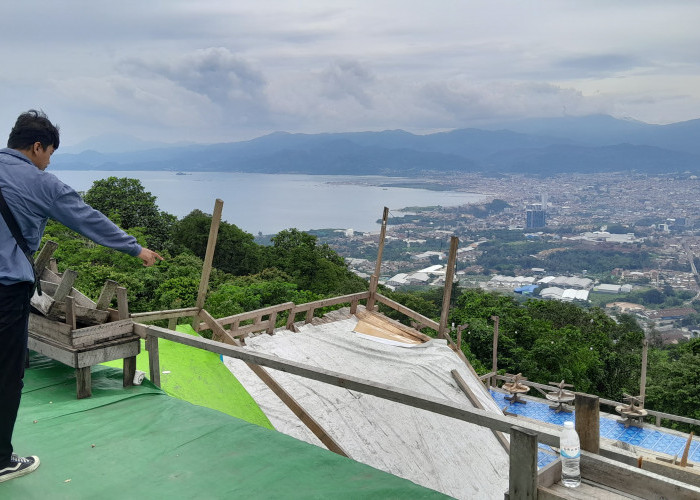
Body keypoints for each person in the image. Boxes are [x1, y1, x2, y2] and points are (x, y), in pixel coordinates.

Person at [0, 110, 163, 483]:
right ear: (37, 146)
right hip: (6, 289)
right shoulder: (41, 183)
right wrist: (136, 249)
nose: (48, 162)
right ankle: (0, 460)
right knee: (6, 374)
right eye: (49, 154)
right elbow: (86, 218)